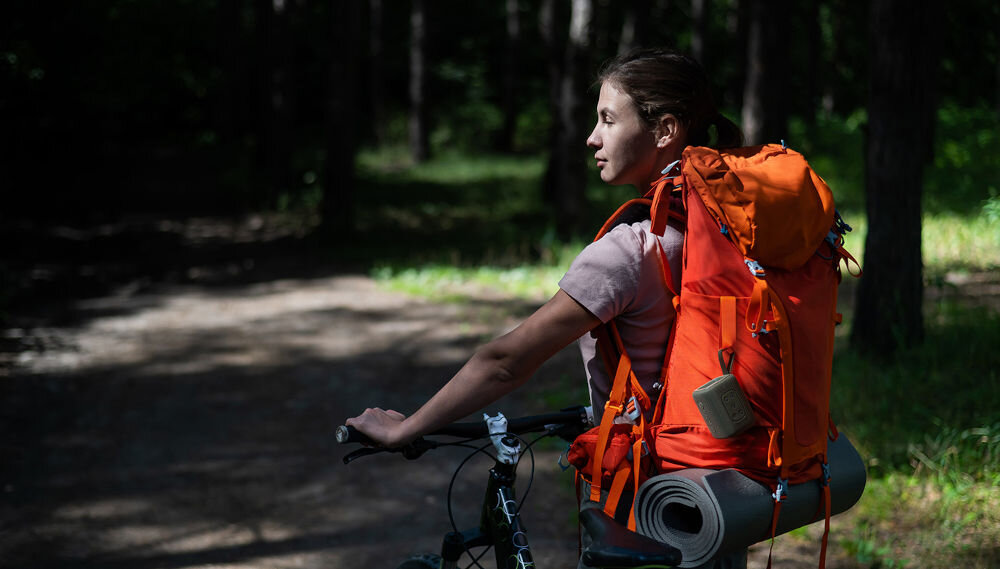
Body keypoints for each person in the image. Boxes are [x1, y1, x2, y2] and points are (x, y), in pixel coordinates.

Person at [346, 48, 745, 569]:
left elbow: (506, 362)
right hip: (725, 496)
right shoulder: (736, 228)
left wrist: (406, 428)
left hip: (645, 504)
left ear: (666, 128)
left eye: (607, 119)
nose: (592, 138)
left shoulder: (630, 251)